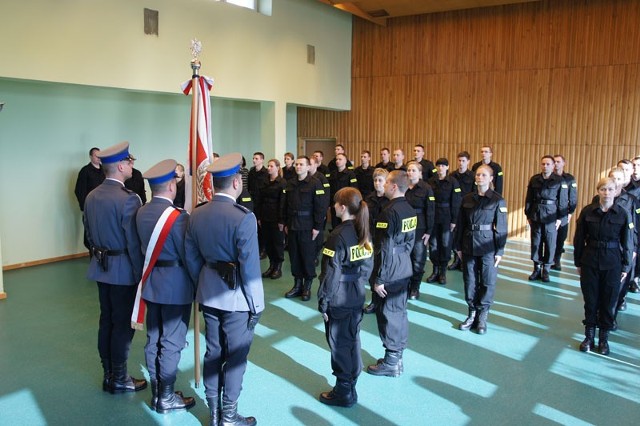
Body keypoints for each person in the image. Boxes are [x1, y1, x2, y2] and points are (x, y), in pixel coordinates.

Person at [185, 153, 264, 426]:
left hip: (209, 293)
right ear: (234, 183)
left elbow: (191, 257)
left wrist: (204, 282)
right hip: (238, 300)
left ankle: (214, 413)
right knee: (236, 357)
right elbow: (251, 269)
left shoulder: (197, 214)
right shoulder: (243, 217)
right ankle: (229, 416)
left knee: (213, 352)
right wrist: (257, 306)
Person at [83, 141, 146, 394]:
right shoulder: (128, 200)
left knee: (106, 320)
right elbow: (134, 242)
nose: (132, 165)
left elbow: (88, 234)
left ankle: (109, 373)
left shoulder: (91, 196)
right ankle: (119, 378)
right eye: (129, 162)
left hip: (101, 267)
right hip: (123, 271)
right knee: (121, 324)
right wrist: (143, 273)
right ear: (120, 166)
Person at [135, 159, 195, 413]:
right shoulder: (178, 217)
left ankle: (158, 391)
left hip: (151, 284)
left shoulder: (140, 211)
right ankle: (167, 398)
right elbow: (188, 254)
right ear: (171, 185)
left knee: (154, 339)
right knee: (171, 342)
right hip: (176, 285)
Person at [317, 187, 373, 408]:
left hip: (339, 296)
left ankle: (343, 392)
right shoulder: (363, 230)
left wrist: (323, 301)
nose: (333, 207)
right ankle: (351, 385)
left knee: (339, 342)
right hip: (357, 293)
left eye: (335, 204)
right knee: (352, 339)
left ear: (341, 207)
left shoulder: (336, 236)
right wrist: (359, 281)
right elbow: (369, 263)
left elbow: (330, 274)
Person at [574, 177, 633, 356]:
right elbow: (579, 239)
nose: (606, 193)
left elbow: (628, 242)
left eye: (610, 189)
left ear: (616, 191)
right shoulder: (587, 212)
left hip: (613, 262)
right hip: (590, 260)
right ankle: (589, 337)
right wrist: (578, 262)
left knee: (608, 302)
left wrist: (626, 267)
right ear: (598, 191)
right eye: (603, 189)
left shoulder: (622, 214)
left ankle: (604, 339)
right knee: (591, 300)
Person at [366, 171, 416, 377]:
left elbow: (384, 248)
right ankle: (396, 356)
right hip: (404, 264)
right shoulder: (409, 209)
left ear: (394, 186)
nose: (383, 185)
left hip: (390, 269)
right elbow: (411, 241)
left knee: (389, 313)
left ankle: (392, 361)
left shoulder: (388, 212)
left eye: (386, 182)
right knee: (399, 311)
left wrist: (379, 278)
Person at [455, 165, 508, 334]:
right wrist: (457, 247)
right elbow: (460, 224)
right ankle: (471, 313)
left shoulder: (498, 200)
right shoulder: (467, 199)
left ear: (491, 178)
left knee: (487, 281)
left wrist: (500, 251)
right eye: (478, 174)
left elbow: (501, 228)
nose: (480, 177)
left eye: (484, 175)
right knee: (470, 281)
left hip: (488, 246)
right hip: (468, 243)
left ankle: (482, 316)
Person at [281, 156, 327, 301]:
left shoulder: (316, 183)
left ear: (308, 167)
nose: (298, 167)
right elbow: (285, 205)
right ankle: (297, 285)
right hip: (293, 225)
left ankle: (307, 286)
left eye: (301, 164)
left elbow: (320, 207)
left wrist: (318, 227)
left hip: (308, 226)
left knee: (307, 257)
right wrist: (285, 223)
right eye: (297, 164)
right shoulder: (290, 183)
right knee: (294, 257)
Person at [524, 155, 568, 282]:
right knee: (536, 242)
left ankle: (546, 270)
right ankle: (536, 268)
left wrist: (560, 218)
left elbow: (563, 201)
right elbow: (529, 198)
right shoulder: (534, 179)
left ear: (553, 166)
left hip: (552, 216)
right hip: (536, 215)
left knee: (550, 243)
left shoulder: (560, 181)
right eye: (543, 164)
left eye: (548, 164)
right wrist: (528, 214)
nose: (545, 166)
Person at [426, 158, 462, 285]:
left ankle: (442, 273)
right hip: (433, 216)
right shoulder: (430, 182)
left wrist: (454, 220)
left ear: (447, 167)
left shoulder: (453, 182)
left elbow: (456, 202)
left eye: (443, 166)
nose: (440, 168)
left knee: (446, 244)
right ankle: (435, 271)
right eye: (438, 166)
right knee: (434, 244)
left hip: (447, 217)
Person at [405, 161, 435, 300]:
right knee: (404, 258)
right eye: (409, 170)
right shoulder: (402, 186)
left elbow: (430, 210)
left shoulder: (426, 188)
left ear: (420, 173)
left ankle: (415, 287)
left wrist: (429, 231)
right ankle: (405, 285)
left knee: (418, 259)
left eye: (413, 170)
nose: (410, 173)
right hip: (403, 228)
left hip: (420, 227)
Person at [363, 168, 390, 314]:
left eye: (380, 180)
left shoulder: (390, 199)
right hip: (372, 239)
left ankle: (385, 301)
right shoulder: (369, 198)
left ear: (386, 182)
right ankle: (374, 300)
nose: (377, 183)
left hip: (385, 240)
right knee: (373, 271)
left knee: (384, 270)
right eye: (375, 180)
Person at [256, 159, 287, 279]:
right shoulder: (264, 181)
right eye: (268, 166)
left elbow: (283, 203)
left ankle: (278, 267)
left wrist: (281, 220)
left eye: (271, 166)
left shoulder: (282, 182)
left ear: (277, 168)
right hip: (265, 216)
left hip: (276, 218)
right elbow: (259, 200)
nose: (268, 168)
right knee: (268, 243)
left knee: (277, 243)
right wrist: (259, 216)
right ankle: (271, 266)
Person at [549, 155, 577, 271]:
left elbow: (573, 197)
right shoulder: (548, 178)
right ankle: (548, 260)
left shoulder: (569, 179)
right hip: (550, 213)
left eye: (558, 162)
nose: (556, 164)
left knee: (561, 237)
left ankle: (557, 260)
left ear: (563, 163)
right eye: (554, 162)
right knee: (549, 238)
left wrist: (570, 212)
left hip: (564, 213)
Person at [449, 151, 475, 270]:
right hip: (455, 209)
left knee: (465, 235)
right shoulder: (452, 175)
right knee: (455, 235)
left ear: (468, 162)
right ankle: (456, 259)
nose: (461, 163)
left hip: (467, 209)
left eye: (463, 161)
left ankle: (464, 260)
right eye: (459, 160)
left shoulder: (473, 176)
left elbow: (475, 194)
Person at [328, 153, 358, 230]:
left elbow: (353, 189)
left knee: (346, 225)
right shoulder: (332, 174)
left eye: (340, 159)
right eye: (336, 159)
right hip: (335, 203)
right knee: (335, 225)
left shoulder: (351, 174)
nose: (337, 161)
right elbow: (329, 190)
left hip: (346, 204)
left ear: (345, 161)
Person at [74, 147, 105, 212]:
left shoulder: (105, 170)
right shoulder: (85, 171)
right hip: (91, 206)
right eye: (96, 156)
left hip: (104, 205)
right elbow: (79, 191)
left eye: (100, 156)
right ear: (90, 157)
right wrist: (84, 207)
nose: (99, 158)